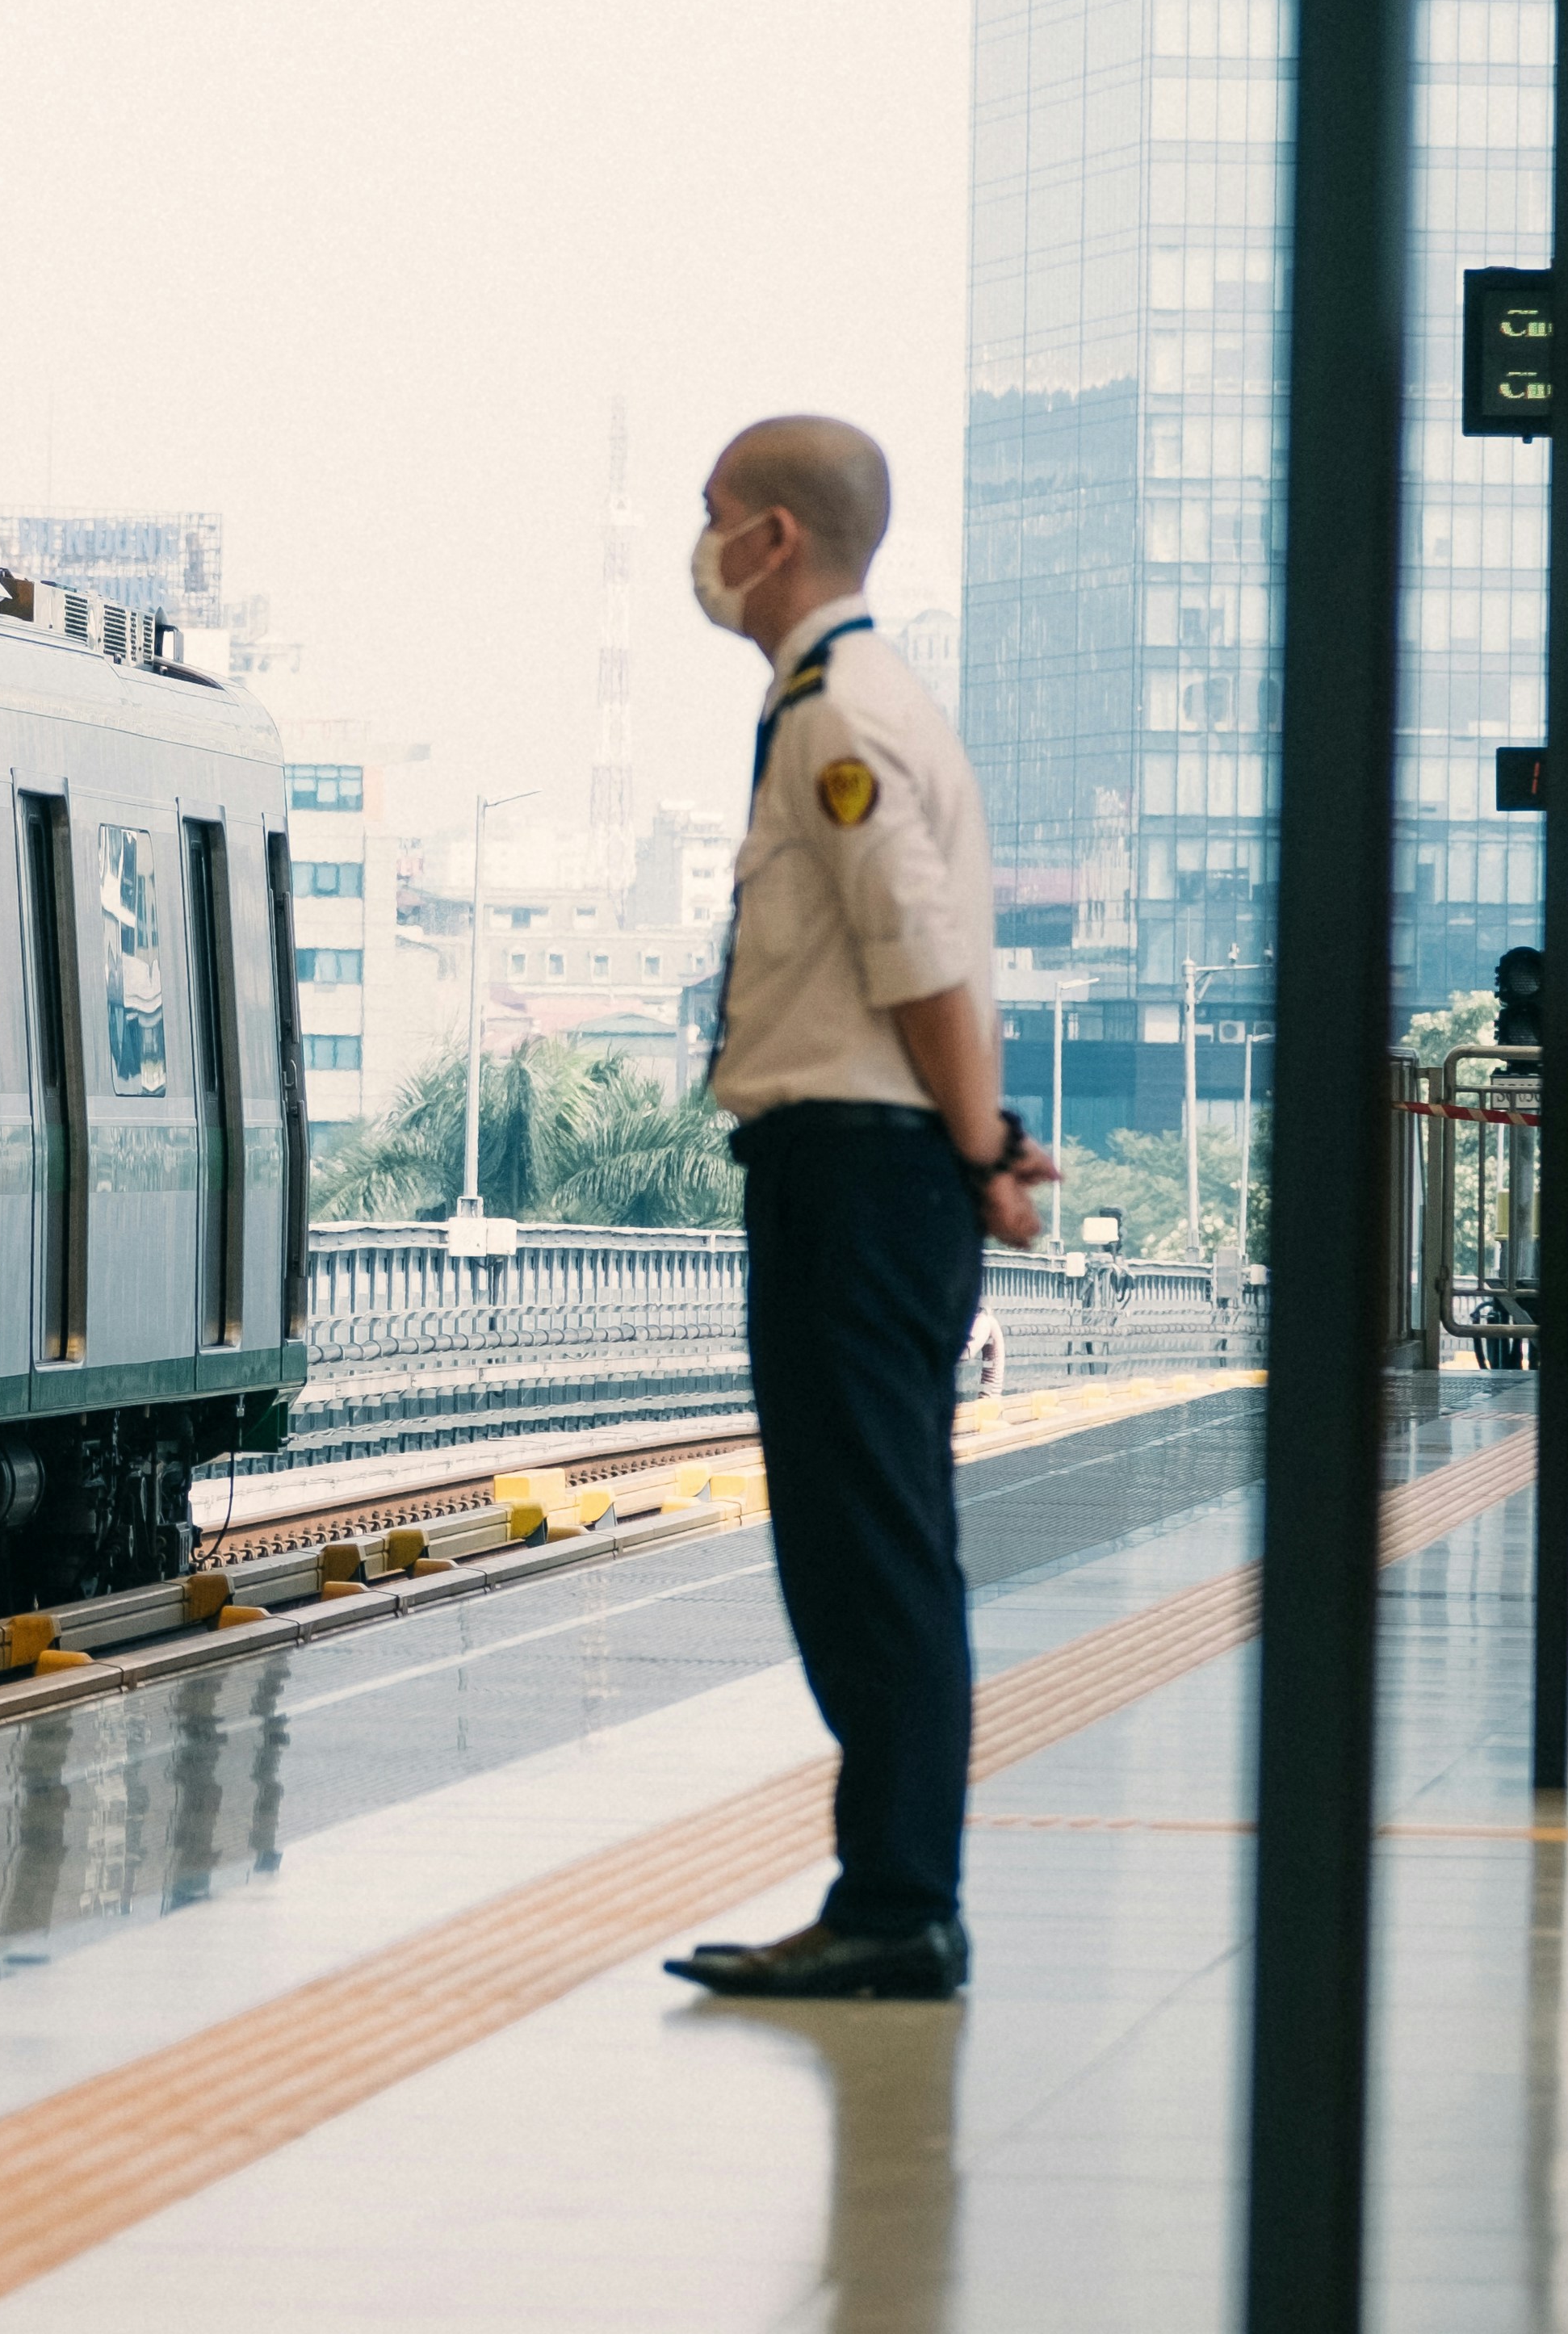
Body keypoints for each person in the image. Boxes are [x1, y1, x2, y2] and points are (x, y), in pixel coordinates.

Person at [661, 414, 1052, 2005]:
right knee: (874, 1540)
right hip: (871, 1166)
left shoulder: (840, 715)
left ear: (773, 538)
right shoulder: (858, 700)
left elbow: (915, 953)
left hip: (861, 1170)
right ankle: (889, 1883)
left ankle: (896, 1897)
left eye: (711, 519)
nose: (698, 550)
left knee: (869, 1547)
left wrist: (981, 1152)